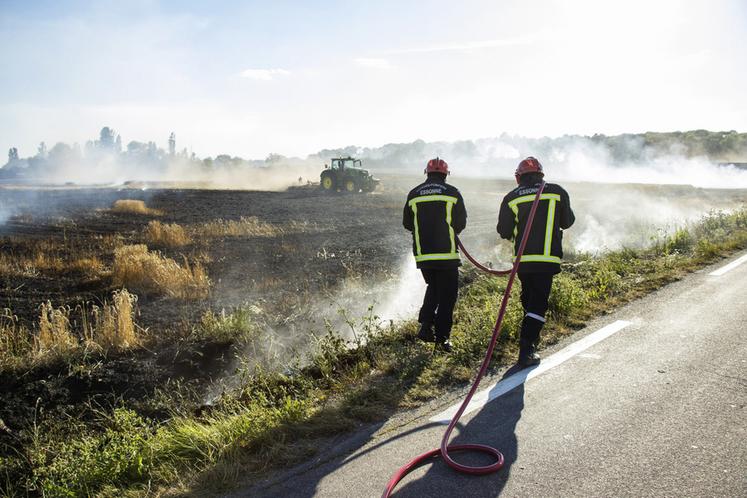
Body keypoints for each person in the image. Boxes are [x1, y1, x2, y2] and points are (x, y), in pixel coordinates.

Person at [497, 157, 575, 367]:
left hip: (523, 261)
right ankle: (527, 348)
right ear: (541, 174)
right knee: (538, 303)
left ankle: (530, 338)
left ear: (519, 177)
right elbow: (567, 222)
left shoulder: (511, 197)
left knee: (529, 298)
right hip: (547, 259)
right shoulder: (557, 191)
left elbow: (503, 231)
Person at [403, 157, 467, 352]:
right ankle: (442, 339)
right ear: (445, 174)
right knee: (447, 296)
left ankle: (425, 324)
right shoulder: (452, 192)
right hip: (446, 253)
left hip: (423, 255)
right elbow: (460, 223)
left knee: (434, 287)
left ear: (427, 173)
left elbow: (407, 224)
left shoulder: (414, 194)